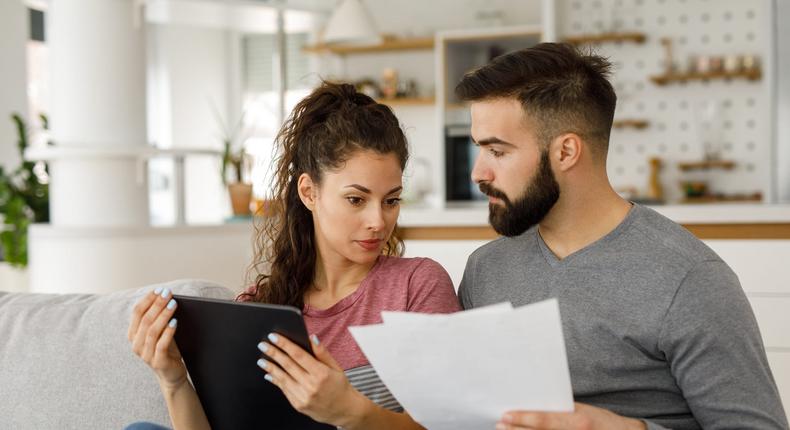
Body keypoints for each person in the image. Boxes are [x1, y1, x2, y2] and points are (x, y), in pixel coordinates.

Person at [455, 43, 788, 430]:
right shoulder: (487, 267)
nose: (478, 173)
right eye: (479, 149)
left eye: (497, 151)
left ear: (565, 152)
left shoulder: (690, 278)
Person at [126, 82, 461, 430]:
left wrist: (351, 411)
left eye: (391, 200)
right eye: (356, 200)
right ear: (309, 192)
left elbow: (453, 425)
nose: (378, 221)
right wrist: (174, 380)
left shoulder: (416, 285)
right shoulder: (259, 307)